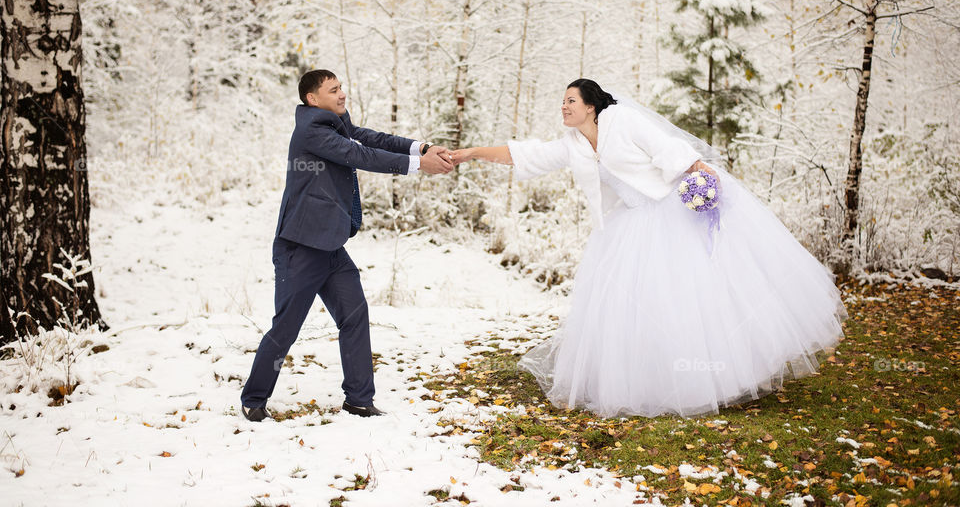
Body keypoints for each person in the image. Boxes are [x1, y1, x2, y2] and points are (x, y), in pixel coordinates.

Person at [450, 78, 848, 418]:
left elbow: (664, 146)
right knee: (637, 308)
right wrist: (470, 154)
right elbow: (526, 155)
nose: (564, 106)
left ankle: (713, 376)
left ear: (591, 105)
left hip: (670, 211)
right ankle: (654, 380)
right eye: (563, 101)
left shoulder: (622, 120)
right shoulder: (573, 143)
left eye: (570, 100)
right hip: (628, 223)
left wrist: (698, 171)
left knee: (688, 297)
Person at [240, 69, 453, 421]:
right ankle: (254, 398)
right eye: (333, 90)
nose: (342, 94)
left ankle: (358, 399)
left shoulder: (334, 122)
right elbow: (360, 156)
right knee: (286, 328)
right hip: (301, 247)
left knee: (355, 315)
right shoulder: (312, 131)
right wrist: (419, 166)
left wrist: (421, 147)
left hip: (330, 246)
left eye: (341, 88)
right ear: (313, 98)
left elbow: (368, 139)